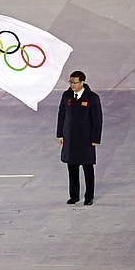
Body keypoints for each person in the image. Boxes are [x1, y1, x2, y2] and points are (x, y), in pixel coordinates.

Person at [57, 71, 103, 205]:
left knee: (87, 168)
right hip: (70, 138)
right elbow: (62, 115)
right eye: (71, 82)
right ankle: (74, 195)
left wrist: (95, 138)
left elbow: (97, 119)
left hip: (86, 139)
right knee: (72, 168)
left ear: (82, 82)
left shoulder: (92, 98)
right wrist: (60, 134)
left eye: (75, 82)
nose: (72, 85)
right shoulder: (66, 96)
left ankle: (89, 197)